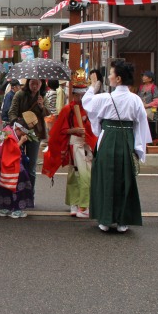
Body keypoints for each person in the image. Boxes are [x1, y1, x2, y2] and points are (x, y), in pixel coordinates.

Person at [82, 60, 150, 233]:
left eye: (111, 73)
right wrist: (139, 148)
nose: (109, 76)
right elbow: (141, 124)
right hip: (126, 139)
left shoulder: (105, 98)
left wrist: (92, 86)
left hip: (108, 138)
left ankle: (105, 219)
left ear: (118, 78)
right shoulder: (135, 100)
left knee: (105, 177)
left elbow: (87, 103)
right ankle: (122, 220)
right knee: (124, 178)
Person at [43, 69, 98, 218]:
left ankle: (83, 205)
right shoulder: (68, 109)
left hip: (86, 145)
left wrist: (87, 129)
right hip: (74, 144)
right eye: (77, 94)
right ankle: (76, 204)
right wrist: (73, 130)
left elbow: (96, 128)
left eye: (82, 94)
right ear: (73, 94)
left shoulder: (90, 108)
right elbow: (59, 130)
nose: (80, 97)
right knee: (76, 175)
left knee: (86, 176)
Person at [8, 78, 49, 189]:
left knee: (31, 166)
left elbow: (47, 113)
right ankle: (18, 192)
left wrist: (41, 106)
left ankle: (30, 194)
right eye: (32, 83)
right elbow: (12, 112)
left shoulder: (43, 97)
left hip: (36, 134)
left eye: (37, 83)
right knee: (17, 163)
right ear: (28, 83)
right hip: (20, 132)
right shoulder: (19, 95)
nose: (34, 86)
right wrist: (17, 124)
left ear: (41, 84)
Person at [0, 118, 35, 218]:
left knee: (4, 187)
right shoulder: (10, 136)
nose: (22, 135)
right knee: (19, 187)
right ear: (18, 129)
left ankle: (4, 209)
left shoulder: (6, 131)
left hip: (4, 165)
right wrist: (22, 141)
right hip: (14, 166)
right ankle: (17, 211)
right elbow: (13, 150)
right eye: (22, 132)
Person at [137, 71, 158, 140]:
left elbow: (156, 102)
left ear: (150, 79)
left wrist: (146, 105)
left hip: (151, 112)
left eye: (145, 76)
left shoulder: (154, 88)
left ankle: (153, 143)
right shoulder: (141, 87)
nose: (143, 77)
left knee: (151, 127)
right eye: (143, 76)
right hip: (142, 111)